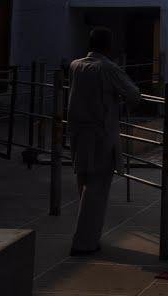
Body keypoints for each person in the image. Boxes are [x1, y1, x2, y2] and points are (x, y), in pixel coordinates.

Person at [66, 27, 140, 256]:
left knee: (84, 185)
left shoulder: (76, 65)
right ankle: (84, 242)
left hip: (78, 133)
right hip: (100, 135)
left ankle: (87, 237)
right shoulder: (108, 68)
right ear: (108, 46)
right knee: (96, 191)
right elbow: (133, 94)